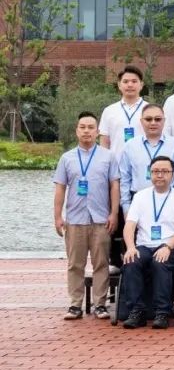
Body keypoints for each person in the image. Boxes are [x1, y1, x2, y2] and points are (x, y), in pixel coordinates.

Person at [53, 112, 119, 320]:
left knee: (101, 263)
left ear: (97, 131)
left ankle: (100, 304)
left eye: (91, 127)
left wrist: (114, 213)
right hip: (75, 219)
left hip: (101, 219)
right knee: (75, 264)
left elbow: (114, 186)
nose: (86, 131)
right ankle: (75, 304)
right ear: (76, 131)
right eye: (82, 127)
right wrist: (58, 217)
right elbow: (60, 188)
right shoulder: (67, 158)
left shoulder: (108, 157)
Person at [119, 155, 174, 329]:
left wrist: (168, 246)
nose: (160, 175)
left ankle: (162, 312)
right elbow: (129, 226)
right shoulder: (140, 196)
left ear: (172, 174)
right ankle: (137, 311)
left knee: (160, 261)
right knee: (131, 260)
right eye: (155, 171)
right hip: (144, 245)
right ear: (149, 173)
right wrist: (130, 247)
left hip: (171, 247)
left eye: (165, 171)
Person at [118, 103, 174, 215]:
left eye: (158, 119)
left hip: (168, 200)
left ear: (164, 121)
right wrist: (126, 206)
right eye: (148, 119)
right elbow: (125, 178)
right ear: (141, 121)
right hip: (138, 201)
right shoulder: (130, 145)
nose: (153, 123)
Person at [98, 65, 147, 161]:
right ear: (119, 85)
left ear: (141, 85)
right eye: (125, 81)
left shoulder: (150, 110)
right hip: (116, 164)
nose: (130, 85)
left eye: (134, 81)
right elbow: (104, 142)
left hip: (143, 163)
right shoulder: (109, 111)